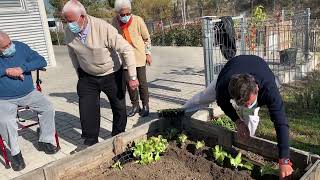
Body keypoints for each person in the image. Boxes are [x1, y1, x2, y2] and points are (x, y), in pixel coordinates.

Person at [183, 55, 293, 179]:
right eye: (242, 104)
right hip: (232, 68)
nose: (246, 107)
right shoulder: (224, 85)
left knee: (250, 119)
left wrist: (284, 159)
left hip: (257, 68)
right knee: (204, 96)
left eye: (248, 103)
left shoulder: (269, 89)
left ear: (257, 89)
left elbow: (281, 121)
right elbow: (222, 103)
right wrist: (238, 122)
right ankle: (180, 112)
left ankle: (247, 146)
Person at [62, 0, 139, 146]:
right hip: (87, 75)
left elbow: (126, 49)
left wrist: (132, 76)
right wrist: (79, 72)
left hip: (111, 73)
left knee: (119, 107)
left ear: (82, 17)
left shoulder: (103, 28)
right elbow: (73, 53)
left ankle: (118, 137)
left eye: (71, 20)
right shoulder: (69, 31)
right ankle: (91, 143)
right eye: (66, 20)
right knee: (87, 109)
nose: (68, 24)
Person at [0, 31, 58, 171]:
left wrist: (22, 68)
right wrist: (7, 71)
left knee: (48, 108)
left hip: (29, 93)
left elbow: (41, 60)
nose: (10, 47)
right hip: (4, 99)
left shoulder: (20, 47)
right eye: (5, 46)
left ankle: (45, 140)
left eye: (10, 43)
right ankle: (16, 154)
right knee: (6, 122)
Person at [112, 0, 152, 117]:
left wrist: (148, 53)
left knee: (142, 83)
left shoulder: (138, 20)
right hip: (124, 59)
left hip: (139, 56)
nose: (125, 16)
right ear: (118, 13)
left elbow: (146, 38)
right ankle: (135, 106)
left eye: (128, 14)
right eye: (122, 14)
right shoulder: (114, 22)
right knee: (130, 83)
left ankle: (145, 105)